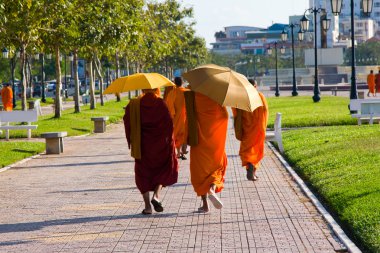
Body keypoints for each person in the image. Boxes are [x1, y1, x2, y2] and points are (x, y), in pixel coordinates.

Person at [123, 88, 178, 215]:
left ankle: (147, 207)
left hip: (143, 146)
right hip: (160, 146)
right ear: (156, 90)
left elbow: (127, 122)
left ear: (143, 89)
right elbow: (169, 123)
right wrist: (170, 142)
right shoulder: (160, 103)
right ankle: (156, 196)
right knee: (162, 169)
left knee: (143, 174)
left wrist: (130, 140)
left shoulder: (134, 104)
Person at [185, 90, 228, 213]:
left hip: (199, 143)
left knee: (200, 173)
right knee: (216, 168)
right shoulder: (218, 98)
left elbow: (188, 119)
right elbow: (224, 117)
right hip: (215, 143)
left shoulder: (192, 96)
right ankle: (212, 190)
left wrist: (184, 140)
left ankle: (205, 205)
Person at [233, 79, 268, 181]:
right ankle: (253, 169)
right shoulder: (260, 96)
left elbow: (236, 112)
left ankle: (250, 166)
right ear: (255, 86)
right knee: (256, 150)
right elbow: (265, 110)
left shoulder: (241, 98)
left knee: (247, 150)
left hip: (246, 129)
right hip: (258, 128)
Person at [164, 77, 188, 160]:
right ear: (182, 83)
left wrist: (171, 114)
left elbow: (168, 106)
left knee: (176, 134)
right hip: (185, 117)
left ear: (174, 83)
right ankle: (181, 151)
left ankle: (178, 152)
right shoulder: (187, 92)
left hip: (175, 117)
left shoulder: (172, 93)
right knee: (183, 134)